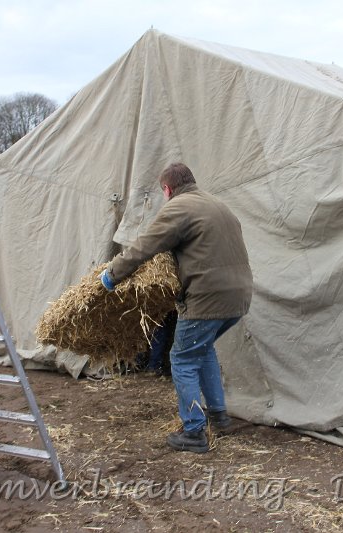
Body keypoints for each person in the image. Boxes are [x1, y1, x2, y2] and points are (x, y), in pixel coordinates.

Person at [100, 163, 253, 453]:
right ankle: (219, 416)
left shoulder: (180, 207)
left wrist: (113, 274)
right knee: (202, 349)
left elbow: (147, 244)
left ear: (168, 190)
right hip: (239, 296)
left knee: (181, 358)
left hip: (208, 296)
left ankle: (194, 431)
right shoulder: (217, 204)